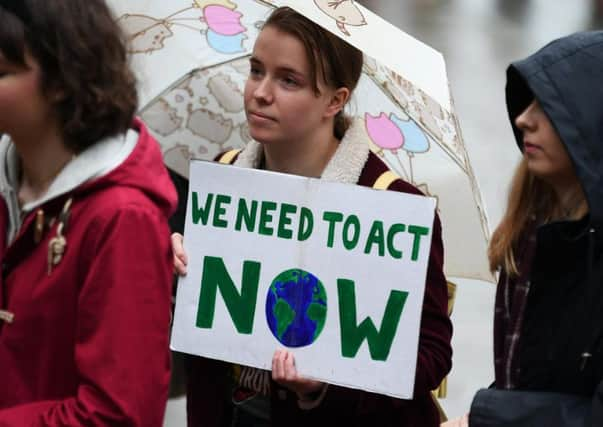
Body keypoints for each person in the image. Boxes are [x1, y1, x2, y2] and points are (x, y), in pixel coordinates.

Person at [172, 6, 452, 427]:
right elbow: (195, 327)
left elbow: (431, 355)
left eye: (288, 80)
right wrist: (174, 272)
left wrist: (324, 385)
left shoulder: (392, 204)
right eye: (255, 70)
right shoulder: (223, 174)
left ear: (335, 100)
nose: (260, 92)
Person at [0, 1, 177, 425]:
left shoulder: (122, 217)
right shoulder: (11, 179)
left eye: (2, 73)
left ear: (62, 80)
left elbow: (119, 414)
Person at [443, 31, 603, 426]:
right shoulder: (532, 234)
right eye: (526, 102)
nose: (522, 119)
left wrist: (485, 418)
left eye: (548, 107)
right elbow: (522, 383)